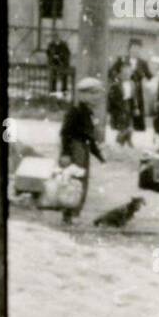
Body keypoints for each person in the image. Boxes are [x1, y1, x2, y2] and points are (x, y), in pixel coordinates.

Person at [57, 76, 106, 223]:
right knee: (74, 181)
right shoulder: (76, 111)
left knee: (81, 180)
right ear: (83, 95)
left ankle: (74, 212)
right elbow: (65, 132)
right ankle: (69, 213)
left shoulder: (88, 112)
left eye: (98, 93)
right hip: (75, 148)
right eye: (94, 93)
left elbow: (89, 138)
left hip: (82, 148)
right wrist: (65, 153)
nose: (97, 97)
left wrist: (98, 155)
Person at [107, 38, 151, 146]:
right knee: (122, 117)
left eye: (138, 48)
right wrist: (118, 79)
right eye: (133, 48)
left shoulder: (142, 62)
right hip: (121, 91)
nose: (135, 50)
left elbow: (149, 76)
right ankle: (121, 138)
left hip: (135, 92)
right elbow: (111, 72)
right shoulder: (122, 59)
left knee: (133, 117)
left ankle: (128, 138)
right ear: (129, 49)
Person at [45, 29, 72, 96]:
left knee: (64, 77)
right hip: (54, 63)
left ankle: (64, 91)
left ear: (59, 37)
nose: (56, 38)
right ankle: (53, 91)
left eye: (57, 36)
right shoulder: (51, 45)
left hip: (62, 63)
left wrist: (61, 56)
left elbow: (67, 53)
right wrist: (52, 57)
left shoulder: (63, 44)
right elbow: (48, 52)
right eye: (54, 36)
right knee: (53, 77)